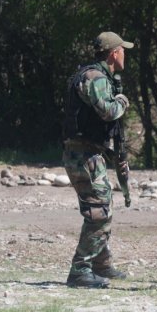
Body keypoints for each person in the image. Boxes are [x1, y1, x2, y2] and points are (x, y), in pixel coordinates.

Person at [62, 31, 134, 288]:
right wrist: (122, 101)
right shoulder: (95, 77)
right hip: (83, 154)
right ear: (114, 53)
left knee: (102, 206)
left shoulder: (98, 76)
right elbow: (108, 111)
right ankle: (81, 269)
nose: (125, 54)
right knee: (99, 211)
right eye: (123, 50)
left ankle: (100, 264)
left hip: (88, 152)